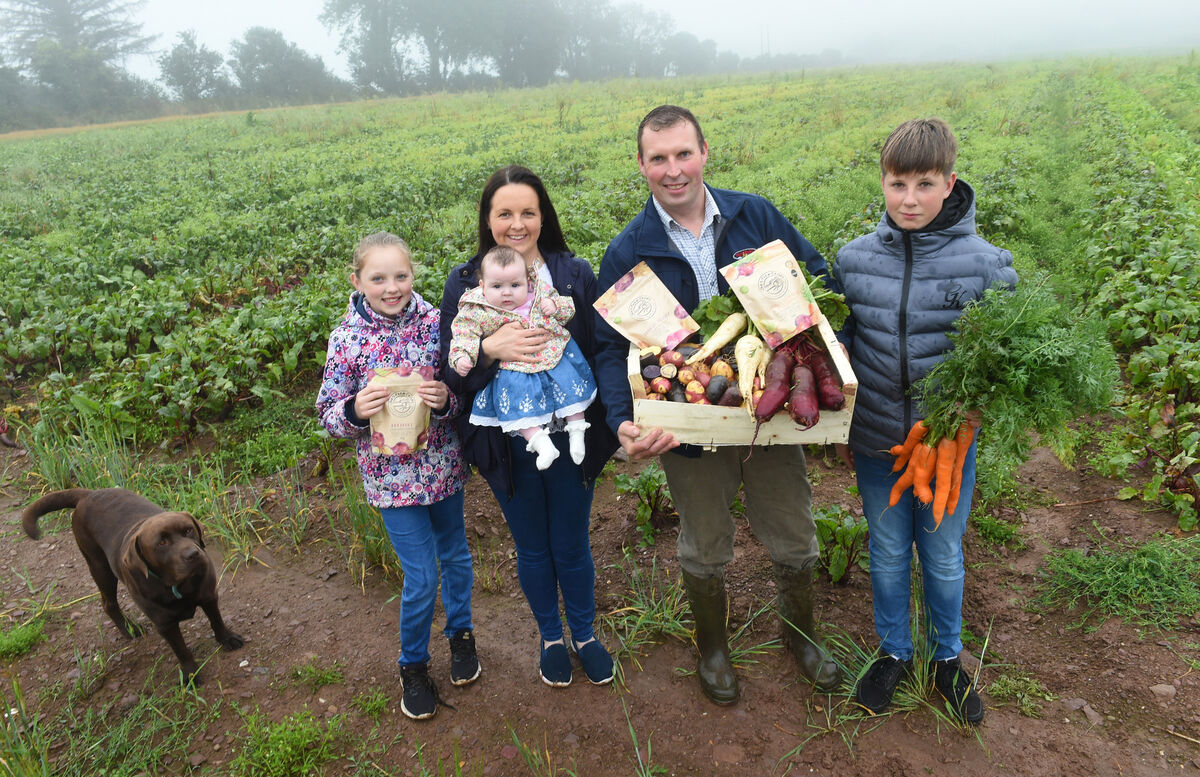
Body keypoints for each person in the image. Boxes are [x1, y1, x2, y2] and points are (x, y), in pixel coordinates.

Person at [592, 105, 843, 706]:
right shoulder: (630, 248)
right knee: (703, 541)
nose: (673, 170)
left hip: (769, 405)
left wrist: (811, 343)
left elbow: (815, 275)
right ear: (641, 164)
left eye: (684, 154)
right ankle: (712, 645)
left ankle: (801, 635)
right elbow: (608, 346)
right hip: (689, 416)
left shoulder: (753, 213)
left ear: (705, 152)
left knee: (793, 530)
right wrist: (619, 420)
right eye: (659, 158)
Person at [833, 118, 1018, 724]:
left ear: (949, 183)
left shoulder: (987, 264)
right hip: (878, 439)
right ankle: (893, 652)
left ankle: (946, 660)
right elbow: (840, 346)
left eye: (924, 183)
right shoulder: (854, 260)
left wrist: (976, 408)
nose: (909, 199)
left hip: (947, 447)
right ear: (882, 183)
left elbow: (1010, 361)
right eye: (897, 183)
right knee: (886, 551)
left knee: (941, 555)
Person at [439, 165, 620, 688]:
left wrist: (617, 421)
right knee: (533, 547)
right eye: (504, 214)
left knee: (572, 542)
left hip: (572, 432)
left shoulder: (572, 273)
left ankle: (584, 634)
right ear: (488, 219)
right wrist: (489, 351)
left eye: (528, 212)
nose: (516, 224)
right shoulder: (467, 282)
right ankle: (550, 637)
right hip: (507, 439)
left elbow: (601, 348)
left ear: (543, 217)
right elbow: (452, 373)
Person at [316, 231, 478, 721]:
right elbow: (327, 414)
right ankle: (413, 664)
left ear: (414, 274)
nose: (392, 287)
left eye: (401, 275)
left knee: (456, 556)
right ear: (357, 280)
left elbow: (462, 392)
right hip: (391, 482)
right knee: (423, 575)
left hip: (444, 469)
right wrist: (354, 410)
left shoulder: (437, 324)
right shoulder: (346, 340)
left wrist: (446, 401)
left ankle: (462, 636)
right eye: (378, 277)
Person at [448, 244, 596, 471]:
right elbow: (463, 334)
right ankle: (541, 443)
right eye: (497, 286)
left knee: (569, 384)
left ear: (527, 282)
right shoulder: (477, 308)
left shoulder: (539, 292)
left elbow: (568, 309)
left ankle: (577, 430)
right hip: (514, 368)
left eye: (514, 285)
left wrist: (554, 305)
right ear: (482, 286)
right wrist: (463, 356)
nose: (506, 292)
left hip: (554, 354)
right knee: (517, 402)